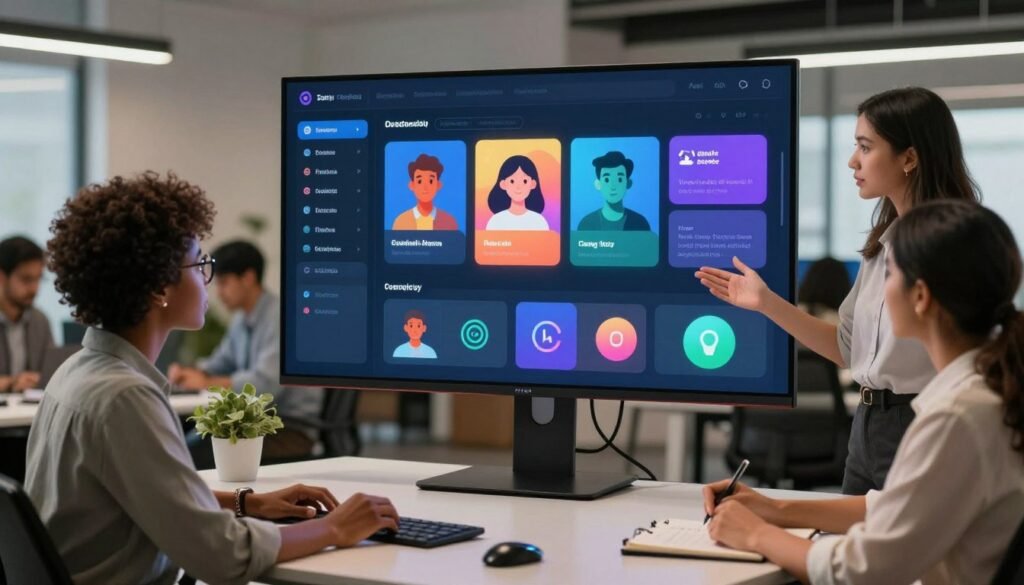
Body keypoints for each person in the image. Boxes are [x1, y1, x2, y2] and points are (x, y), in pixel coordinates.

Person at [25, 172, 399, 585]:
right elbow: (223, 556)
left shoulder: (74, 373)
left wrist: (248, 503)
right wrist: (333, 528)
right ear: (159, 286)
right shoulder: (124, 398)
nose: (209, 281)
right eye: (200, 263)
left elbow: (157, 499)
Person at [703, 200, 1024, 585]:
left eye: (888, 273)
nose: (878, 291)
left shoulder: (957, 418)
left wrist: (755, 534)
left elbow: (863, 569)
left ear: (920, 297)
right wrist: (773, 508)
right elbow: (895, 507)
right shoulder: (984, 396)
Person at [695, 87, 980, 494]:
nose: (852, 161)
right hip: (867, 423)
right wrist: (766, 303)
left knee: (894, 535)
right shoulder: (882, 246)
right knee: (850, 530)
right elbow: (848, 349)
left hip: (920, 418)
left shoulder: (954, 245)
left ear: (909, 158)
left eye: (865, 147)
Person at [169, 241, 323, 459]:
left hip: (288, 430)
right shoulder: (242, 318)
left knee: (192, 451)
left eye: (224, 283)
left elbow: (265, 385)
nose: (219, 293)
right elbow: (221, 362)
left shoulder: (282, 317)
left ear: (248, 278)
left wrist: (206, 383)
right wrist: (191, 372)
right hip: (255, 423)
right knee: (182, 439)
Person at [0, 236, 54, 392]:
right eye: (26, 279)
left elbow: (50, 374)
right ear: (2, 277)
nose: (34, 289)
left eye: (38, 279)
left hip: (31, 406)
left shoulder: (40, 321)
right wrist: (11, 383)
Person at [577, 150, 651, 232]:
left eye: (619, 179)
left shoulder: (640, 224)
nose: (613, 186)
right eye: (607, 180)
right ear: (598, 184)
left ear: (628, 183)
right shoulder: (586, 224)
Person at [391, 153, 459, 231]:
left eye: (430, 181)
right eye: (419, 181)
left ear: (438, 185)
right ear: (412, 185)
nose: (425, 187)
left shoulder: (449, 222)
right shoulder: (401, 222)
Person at [485, 155, 550, 231]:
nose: (518, 187)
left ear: (533, 184)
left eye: (525, 181)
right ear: (503, 184)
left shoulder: (539, 221)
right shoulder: (495, 221)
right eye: (512, 181)